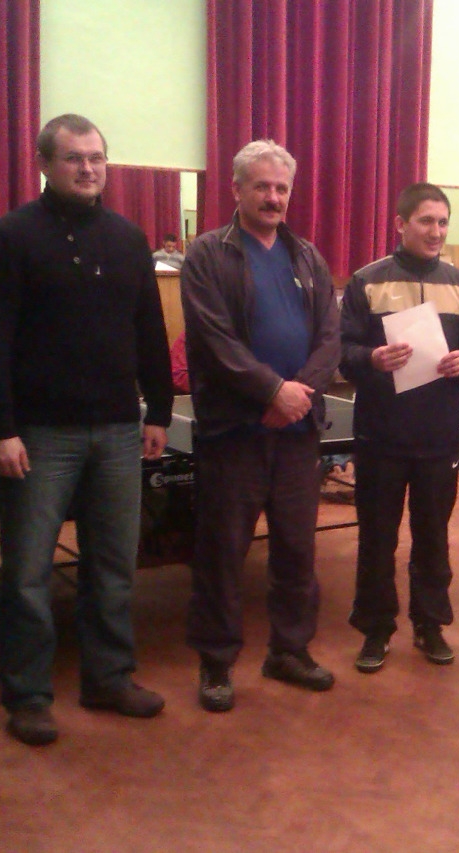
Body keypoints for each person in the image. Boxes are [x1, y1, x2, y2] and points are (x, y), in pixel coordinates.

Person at [0, 114, 174, 746]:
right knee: (28, 574)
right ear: (43, 165)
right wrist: (1, 428)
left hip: (118, 431)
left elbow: (149, 330)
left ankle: (108, 678)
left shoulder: (128, 239)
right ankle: (28, 696)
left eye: (96, 157)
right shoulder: (11, 237)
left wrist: (160, 412)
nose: (88, 168)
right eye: (74, 158)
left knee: (113, 566)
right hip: (39, 436)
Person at [180, 139, 340, 712]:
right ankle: (216, 663)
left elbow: (330, 337)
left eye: (281, 189)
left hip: (297, 434)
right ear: (236, 189)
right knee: (222, 554)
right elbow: (213, 339)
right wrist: (273, 391)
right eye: (262, 187)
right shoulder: (206, 255)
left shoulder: (308, 256)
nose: (273, 197)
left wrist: (299, 395)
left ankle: (289, 652)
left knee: (297, 550)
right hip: (235, 433)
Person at [340, 182, 459, 673]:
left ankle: (430, 625)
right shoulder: (366, 281)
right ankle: (376, 629)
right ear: (401, 224)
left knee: (433, 538)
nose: (436, 231)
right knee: (377, 540)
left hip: (438, 439)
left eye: (443, 222)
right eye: (426, 221)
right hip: (380, 438)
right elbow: (342, 351)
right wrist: (372, 359)